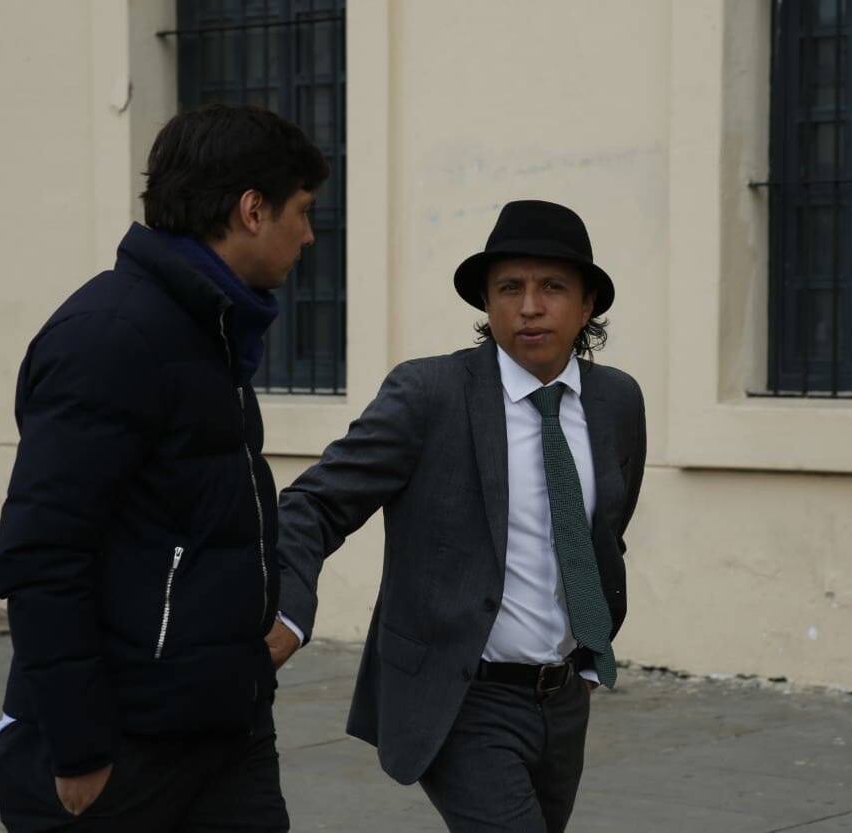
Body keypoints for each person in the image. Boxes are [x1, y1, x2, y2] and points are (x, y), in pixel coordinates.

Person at [0, 104, 328, 830]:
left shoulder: (212, 326)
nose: (308, 234)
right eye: (301, 211)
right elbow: (43, 553)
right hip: (124, 754)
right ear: (251, 209)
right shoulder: (112, 335)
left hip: (224, 731)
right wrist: (80, 749)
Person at [266, 199, 647, 831]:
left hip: (562, 699)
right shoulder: (429, 395)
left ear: (586, 307)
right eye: (509, 288)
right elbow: (315, 503)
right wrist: (287, 605)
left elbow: (605, 529)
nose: (529, 306)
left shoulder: (616, 401)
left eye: (552, 287)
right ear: (486, 304)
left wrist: (587, 652)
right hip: (461, 693)